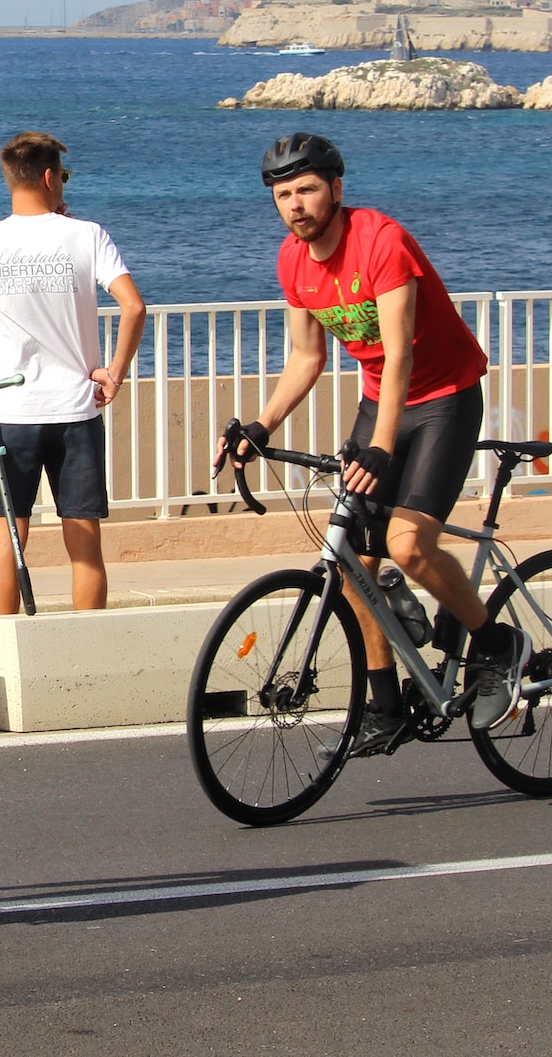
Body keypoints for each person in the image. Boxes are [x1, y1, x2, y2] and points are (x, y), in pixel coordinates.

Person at [221, 131, 526, 756]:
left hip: (442, 396)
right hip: (380, 398)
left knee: (407, 545)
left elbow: (402, 355)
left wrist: (381, 448)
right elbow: (307, 357)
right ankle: (384, 703)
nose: (296, 205)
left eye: (307, 190)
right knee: (352, 560)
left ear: (336, 187)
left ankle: (496, 647)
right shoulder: (292, 260)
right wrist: (261, 426)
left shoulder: (381, 243)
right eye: (283, 195)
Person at [0, 132, 147, 616]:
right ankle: (87, 648)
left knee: (8, 534)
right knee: (84, 540)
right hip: (76, 406)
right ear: (50, 177)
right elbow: (133, 307)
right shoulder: (88, 234)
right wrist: (113, 372)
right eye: (62, 176)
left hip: (11, 408)